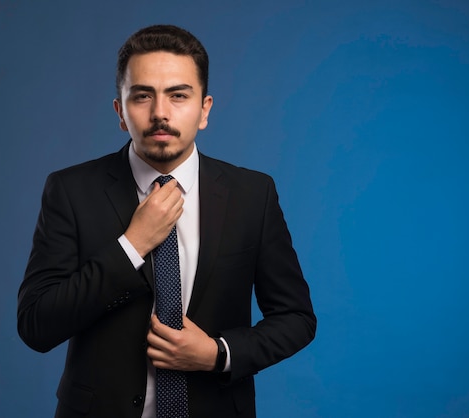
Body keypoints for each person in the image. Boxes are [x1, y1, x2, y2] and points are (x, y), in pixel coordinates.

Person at [17, 24, 316, 418]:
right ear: (120, 112)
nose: (160, 113)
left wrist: (217, 353)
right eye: (142, 96)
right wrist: (132, 246)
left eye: (178, 95)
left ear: (204, 109)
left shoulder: (252, 195)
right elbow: (36, 325)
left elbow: (296, 318)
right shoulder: (71, 191)